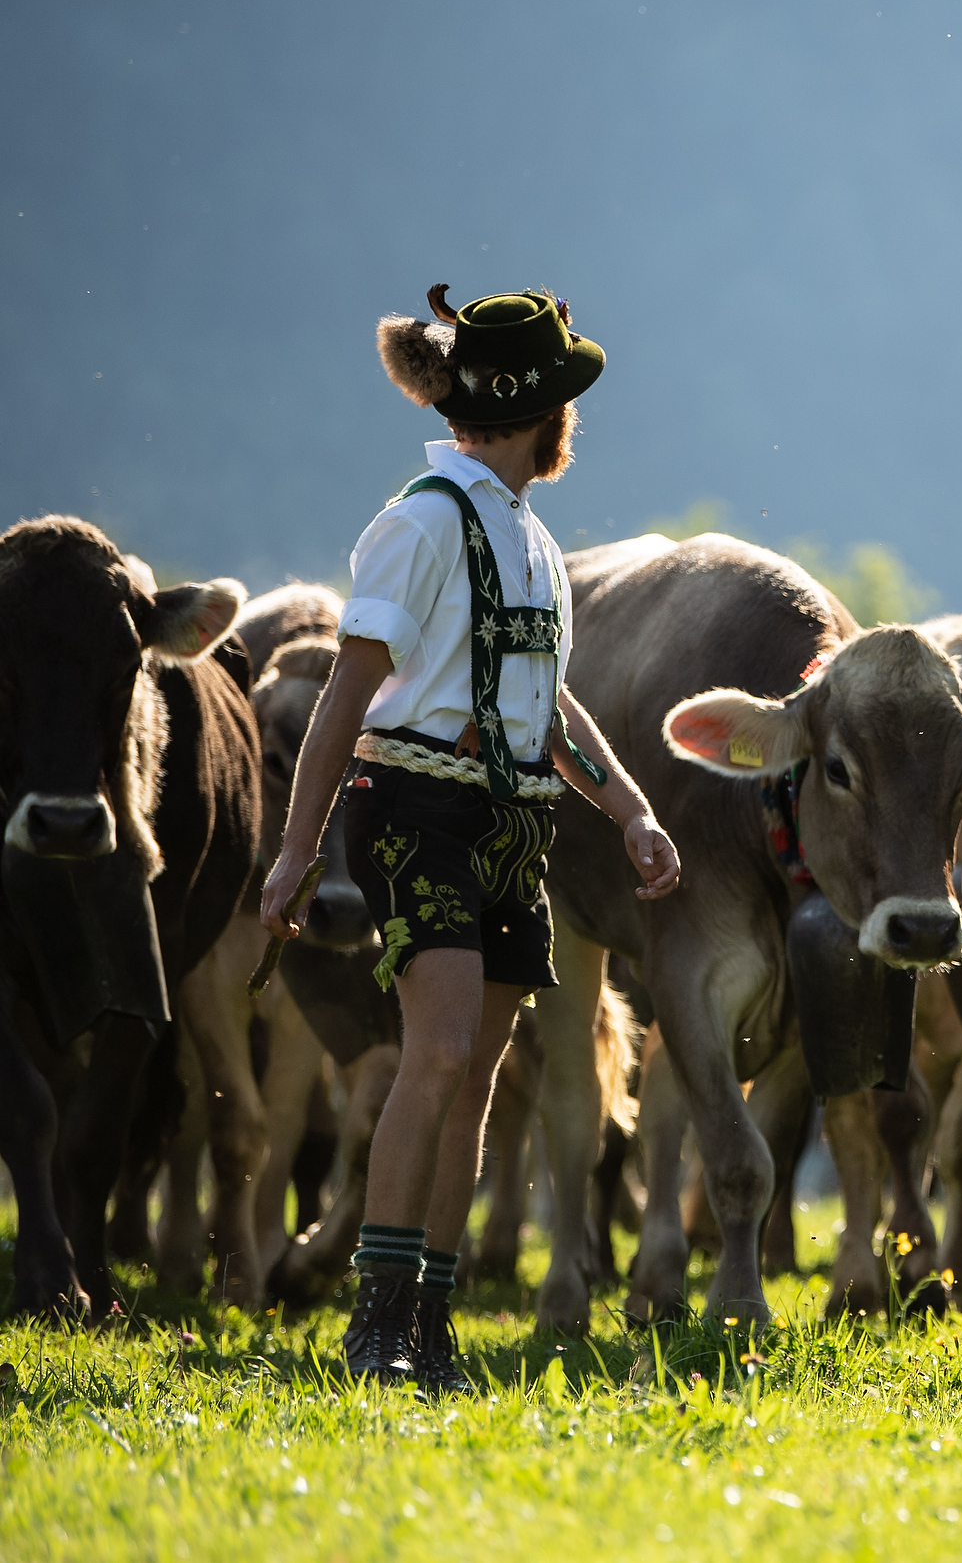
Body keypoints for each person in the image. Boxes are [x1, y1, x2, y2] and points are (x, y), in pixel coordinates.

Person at [261, 286, 681, 1391]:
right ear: (546, 416)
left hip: (511, 820)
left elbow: (551, 710)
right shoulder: (419, 522)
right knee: (439, 1050)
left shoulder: (533, 542)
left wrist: (630, 807)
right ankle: (376, 1325)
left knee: (479, 1074)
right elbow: (350, 695)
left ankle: (431, 1327)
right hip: (415, 806)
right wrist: (297, 849)